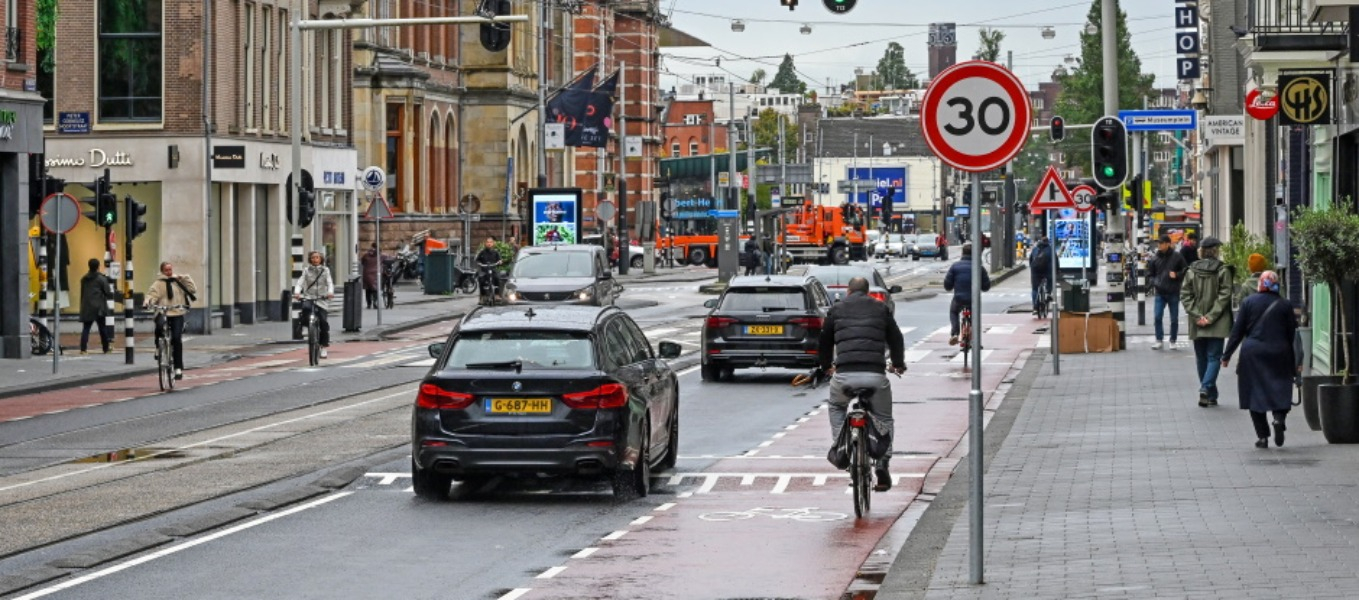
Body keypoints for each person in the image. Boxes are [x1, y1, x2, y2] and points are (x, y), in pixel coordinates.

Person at [817, 277, 907, 492]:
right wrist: (898, 364)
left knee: (837, 406)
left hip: (844, 375)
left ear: (848, 291)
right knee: (884, 417)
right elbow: (896, 338)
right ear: (867, 291)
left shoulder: (836, 309)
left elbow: (825, 341)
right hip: (875, 376)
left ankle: (842, 446)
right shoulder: (880, 308)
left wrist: (825, 366)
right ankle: (883, 461)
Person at [1221, 271, 1298, 449]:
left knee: (1254, 393)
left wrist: (1227, 355)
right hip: (1280, 352)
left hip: (1253, 353)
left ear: (1260, 284)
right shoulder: (1285, 304)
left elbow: (1237, 331)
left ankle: (1262, 437)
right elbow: (1292, 334)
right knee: (1281, 388)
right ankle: (1278, 419)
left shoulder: (1248, 302)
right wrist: (1295, 362)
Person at [1181, 236, 1234, 407]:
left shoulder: (1191, 271)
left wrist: (1197, 315)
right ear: (1216, 251)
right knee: (1214, 357)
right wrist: (1211, 317)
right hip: (1217, 322)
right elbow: (1225, 296)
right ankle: (1207, 389)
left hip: (1197, 322)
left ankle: (1209, 392)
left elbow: (1185, 295)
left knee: (1201, 358)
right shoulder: (1223, 270)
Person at [143, 262, 197, 380]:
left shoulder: (178, 282)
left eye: (170, 269)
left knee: (177, 339)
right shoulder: (158, 284)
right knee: (159, 326)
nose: (169, 272)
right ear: (162, 271)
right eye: (166, 270)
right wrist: (148, 301)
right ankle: (158, 347)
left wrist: (183, 277)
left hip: (177, 313)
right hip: (163, 312)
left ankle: (178, 368)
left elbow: (192, 289)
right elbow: (152, 294)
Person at [943, 243, 991, 346]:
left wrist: (951, 286)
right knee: (975, 316)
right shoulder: (979, 268)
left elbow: (947, 285)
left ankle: (955, 333)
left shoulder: (955, 267)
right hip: (973, 300)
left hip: (959, 298)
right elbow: (986, 286)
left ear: (962, 253)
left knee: (954, 311)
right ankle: (976, 341)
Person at [1147, 234, 1189, 350]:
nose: (1159, 245)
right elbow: (1151, 274)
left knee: (1174, 318)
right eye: (1158, 243)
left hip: (1173, 291)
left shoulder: (1177, 256)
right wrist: (1155, 282)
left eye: (1161, 243)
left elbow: (1186, 270)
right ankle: (1159, 339)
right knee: (1157, 316)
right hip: (1160, 292)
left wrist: (1177, 275)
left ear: (1168, 244)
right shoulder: (1155, 258)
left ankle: (1173, 340)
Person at [293, 250, 335, 359]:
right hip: (309, 297)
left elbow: (329, 282)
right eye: (313, 257)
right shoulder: (306, 271)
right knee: (306, 308)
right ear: (310, 259)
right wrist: (297, 292)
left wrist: (330, 292)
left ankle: (324, 346)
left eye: (317, 257)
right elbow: (300, 282)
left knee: (323, 322)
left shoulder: (325, 270)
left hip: (322, 298)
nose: (315, 259)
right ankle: (306, 326)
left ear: (321, 259)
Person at [78, 258, 114, 354]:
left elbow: (83, 293)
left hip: (87, 306)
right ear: (98, 267)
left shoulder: (84, 279)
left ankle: (83, 349)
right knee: (102, 328)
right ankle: (106, 348)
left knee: (86, 328)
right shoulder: (101, 279)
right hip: (99, 308)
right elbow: (107, 292)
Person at [1028, 235, 1053, 317]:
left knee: (1035, 289)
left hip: (1035, 271)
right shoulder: (1050, 249)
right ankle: (1048, 294)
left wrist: (1032, 269)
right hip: (1047, 271)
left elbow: (1031, 260)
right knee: (1050, 280)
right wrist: (1057, 270)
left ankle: (1035, 307)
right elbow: (1055, 261)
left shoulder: (1035, 249)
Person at [360, 244, 381, 309]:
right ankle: (375, 302)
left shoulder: (366, 255)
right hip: (375, 274)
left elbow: (362, 262)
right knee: (375, 289)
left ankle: (369, 304)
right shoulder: (379, 255)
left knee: (368, 290)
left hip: (367, 273)